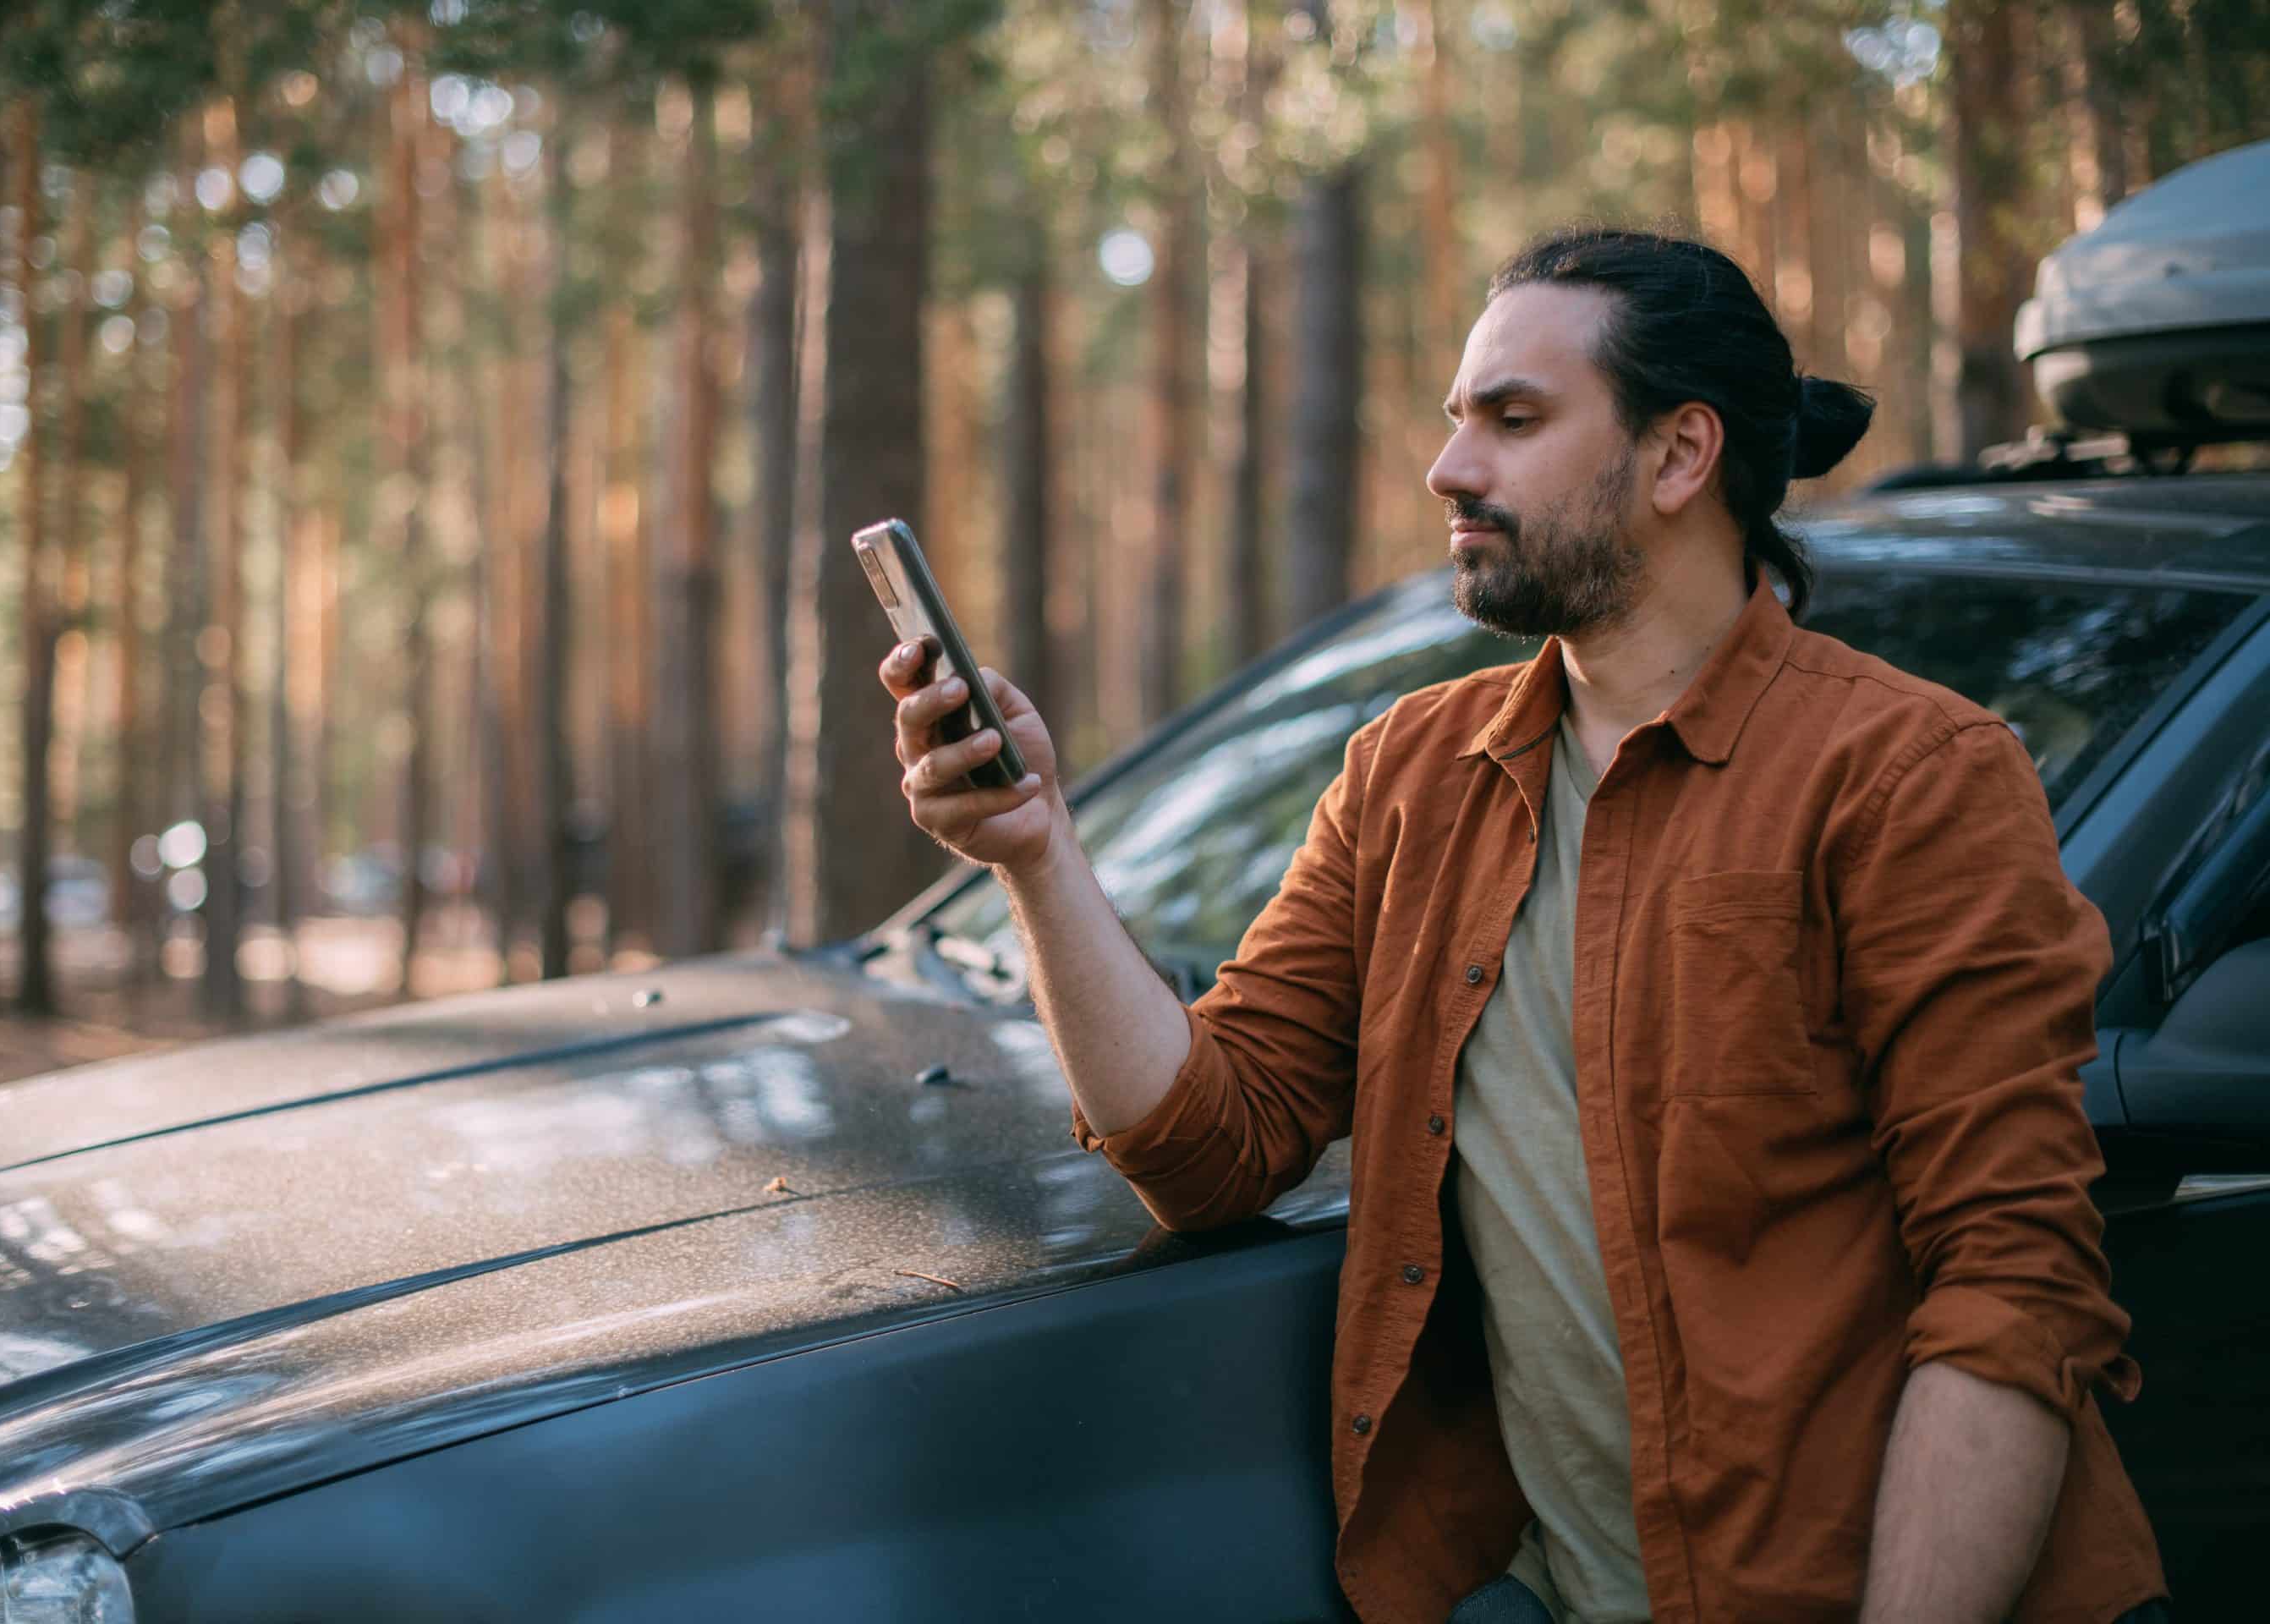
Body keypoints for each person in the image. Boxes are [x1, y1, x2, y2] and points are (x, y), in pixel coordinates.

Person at [876, 226, 2167, 1624]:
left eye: (1513, 418)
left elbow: (2012, 1287)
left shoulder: (1909, 775)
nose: (1449, 468)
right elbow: (1211, 1148)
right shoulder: (1412, 771)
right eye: (1458, 419)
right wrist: (1038, 855)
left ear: (1680, 456)